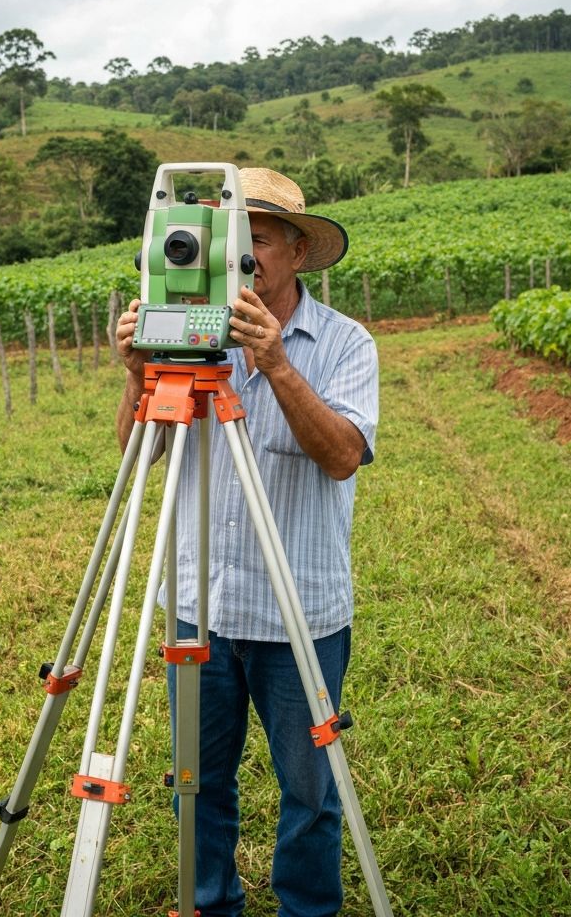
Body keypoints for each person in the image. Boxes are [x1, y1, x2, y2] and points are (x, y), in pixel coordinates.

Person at [114, 167, 379, 917]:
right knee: (195, 784)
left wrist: (277, 365)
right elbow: (139, 453)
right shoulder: (185, 331)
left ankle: (307, 908)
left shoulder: (344, 345)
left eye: (256, 239)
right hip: (199, 604)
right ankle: (209, 904)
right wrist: (137, 376)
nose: (241, 257)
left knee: (309, 789)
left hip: (299, 608)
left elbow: (340, 455)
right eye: (230, 241)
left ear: (297, 250)